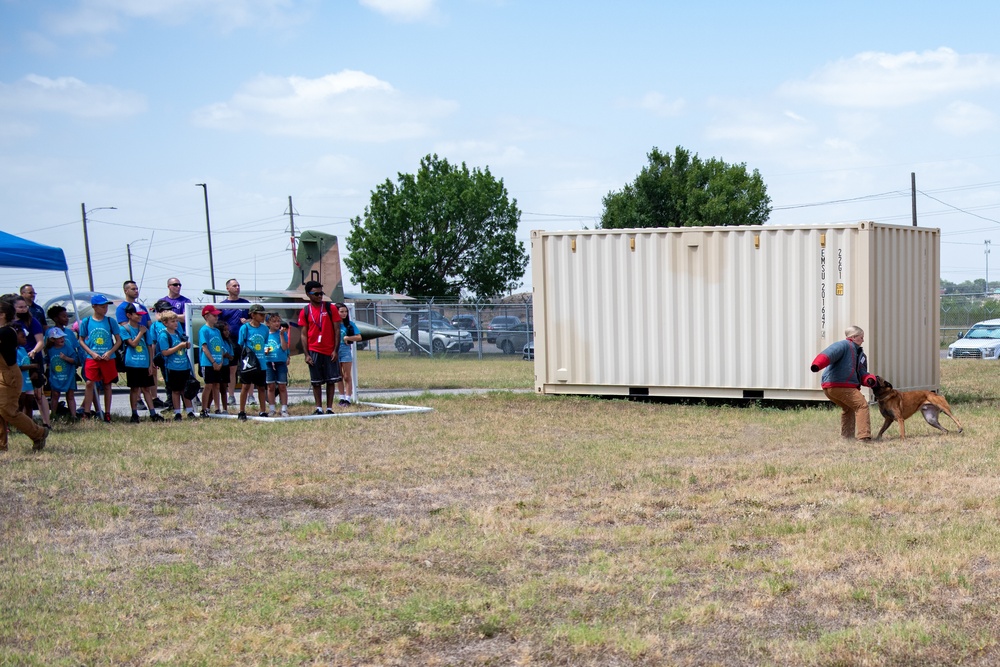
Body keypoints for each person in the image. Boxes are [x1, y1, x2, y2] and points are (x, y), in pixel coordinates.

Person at [810, 325, 877, 441]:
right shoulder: (843, 345)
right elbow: (829, 353)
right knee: (862, 406)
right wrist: (817, 365)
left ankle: (847, 437)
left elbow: (862, 373)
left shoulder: (860, 354)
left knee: (849, 408)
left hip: (831, 387)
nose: (863, 340)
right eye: (861, 337)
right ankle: (864, 437)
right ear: (854, 337)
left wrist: (869, 379)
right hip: (841, 385)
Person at [0, 299, 48, 451]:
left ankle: (39, 433)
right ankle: (1, 446)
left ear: (2, 315)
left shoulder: (6, 332)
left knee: (9, 411)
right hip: (3, 373)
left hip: (8, 375)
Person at [296, 280, 341, 415]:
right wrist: (306, 354)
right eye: (316, 294)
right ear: (308, 294)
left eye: (321, 293)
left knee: (331, 380)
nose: (319, 296)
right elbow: (304, 334)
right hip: (314, 349)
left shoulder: (330, 308)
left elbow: (337, 330)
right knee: (316, 382)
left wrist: (335, 350)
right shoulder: (305, 311)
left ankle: (329, 408)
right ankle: (318, 408)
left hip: (329, 350)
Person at [77, 294, 122, 423]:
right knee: (89, 383)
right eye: (102, 306)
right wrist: (91, 353)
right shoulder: (86, 321)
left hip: (108, 358)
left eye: (106, 306)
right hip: (93, 358)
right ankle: (86, 411)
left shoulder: (110, 321)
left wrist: (110, 352)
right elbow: (81, 340)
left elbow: (118, 340)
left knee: (107, 385)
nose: (105, 309)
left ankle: (107, 413)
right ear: (94, 307)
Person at [121, 303, 164, 423]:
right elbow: (133, 344)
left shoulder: (145, 330)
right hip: (132, 363)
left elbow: (149, 346)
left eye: (142, 315)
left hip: (144, 363)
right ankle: (134, 414)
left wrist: (151, 364)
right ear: (129, 315)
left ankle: (153, 413)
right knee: (134, 389)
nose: (140, 317)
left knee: (146, 388)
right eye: (137, 314)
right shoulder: (125, 329)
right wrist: (140, 333)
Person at [13, 295, 49, 428]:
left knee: (38, 394)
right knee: (20, 396)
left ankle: (46, 423)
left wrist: (34, 351)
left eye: (25, 307)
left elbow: (40, 341)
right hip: (16, 361)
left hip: (33, 360)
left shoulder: (32, 321)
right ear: (13, 308)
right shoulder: (9, 323)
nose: (23, 309)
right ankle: (22, 423)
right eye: (20, 307)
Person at [156, 311, 197, 420]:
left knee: (186, 390)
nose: (176, 323)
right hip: (173, 367)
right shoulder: (164, 335)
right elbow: (165, 352)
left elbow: (182, 347)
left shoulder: (178, 333)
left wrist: (185, 345)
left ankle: (189, 411)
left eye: (176, 321)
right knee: (176, 390)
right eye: (173, 321)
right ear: (165, 323)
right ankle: (177, 412)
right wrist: (179, 346)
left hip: (184, 365)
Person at [218, 278, 250, 406]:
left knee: (248, 368)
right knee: (232, 369)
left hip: (244, 340)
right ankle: (231, 395)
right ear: (228, 288)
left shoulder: (245, 303)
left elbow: (254, 320)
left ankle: (251, 396)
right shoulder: (223, 305)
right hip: (230, 341)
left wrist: (246, 322)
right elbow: (218, 324)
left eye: (238, 285)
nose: (237, 288)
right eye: (234, 286)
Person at [237, 304, 269, 420]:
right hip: (249, 362)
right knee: (245, 386)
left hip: (261, 362)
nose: (263, 317)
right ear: (253, 315)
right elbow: (241, 344)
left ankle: (262, 410)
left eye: (263, 315)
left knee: (261, 387)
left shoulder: (265, 329)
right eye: (260, 314)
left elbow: (266, 343)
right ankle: (241, 411)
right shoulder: (245, 328)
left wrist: (266, 352)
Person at [198, 305, 225, 416]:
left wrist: (221, 361)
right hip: (208, 362)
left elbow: (221, 347)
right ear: (207, 316)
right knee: (208, 385)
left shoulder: (217, 331)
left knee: (216, 385)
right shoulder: (204, 330)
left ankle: (217, 408)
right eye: (214, 315)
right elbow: (204, 348)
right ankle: (204, 409)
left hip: (218, 362)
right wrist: (213, 362)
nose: (216, 317)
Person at [45, 327, 78, 421]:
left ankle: (73, 416)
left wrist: (65, 358)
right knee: (55, 395)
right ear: (52, 339)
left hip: (69, 376)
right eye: (59, 338)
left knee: (70, 395)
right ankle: (53, 415)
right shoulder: (50, 350)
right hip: (56, 377)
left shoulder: (68, 348)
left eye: (62, 337)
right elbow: (47, 360)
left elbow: (75, 360)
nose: (62, 339)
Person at [335, 302, 362, 406]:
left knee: (347, 376)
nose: (344, 314)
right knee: (338, 375)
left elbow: (359, 337)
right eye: (341, 311)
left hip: (345, 349)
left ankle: (348, 398)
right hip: (335, 350)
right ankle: (341, 397)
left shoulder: (350, 324)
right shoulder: (333, 324)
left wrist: (348, 338)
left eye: (345, 311)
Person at [263, 313, 290, 417]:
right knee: (270, 386)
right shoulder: (265, 334)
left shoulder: (282, 333)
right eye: (274, 321)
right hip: (268, 362)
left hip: (280, 362)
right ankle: (272, 408)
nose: (277, 323)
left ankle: (284, 409)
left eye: (278, 321)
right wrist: (266, 350)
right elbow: (262, 349)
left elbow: (284, 347)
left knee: (282, 386)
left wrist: (282, 335)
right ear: (268, 323)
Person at [217, 320, 234, 413]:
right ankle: (210, 407)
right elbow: (221, 352)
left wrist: (227, 355)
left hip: (225, 367)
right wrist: (225, 354)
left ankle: (225, 409)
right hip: (217, 366)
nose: (227, 332)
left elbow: (231, 356)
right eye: (225, 330)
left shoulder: (228, 343)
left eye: (228, 330)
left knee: (224, 389)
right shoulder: (218, 341)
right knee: (214, 388)